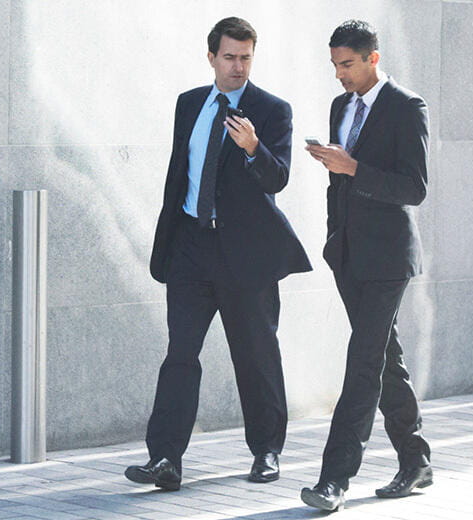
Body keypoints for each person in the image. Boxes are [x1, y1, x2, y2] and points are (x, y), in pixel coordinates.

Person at [124, 16, 311, 491]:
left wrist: (252, 148)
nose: (238, 67)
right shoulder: (189, 104)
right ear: (211, 57)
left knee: (256, 355)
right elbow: (180, 172)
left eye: (246, 57)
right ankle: (165, 458)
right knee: (180, 355)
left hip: (244, 256)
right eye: (229, 57)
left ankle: (267, 451)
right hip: (190, 246)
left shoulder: (272, 110)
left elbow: (277, 179)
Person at [301, 20, 433, 512]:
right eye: (335, 65)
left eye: (348, 65)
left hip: (387, 259)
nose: (340, 75)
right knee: (384, 359)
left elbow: (414, 188)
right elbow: (342, 185)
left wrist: (353, 168)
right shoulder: (341, 106)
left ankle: (334, 480)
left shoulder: (407, 107)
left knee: (363, 362)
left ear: (373, 59)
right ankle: (416, 460)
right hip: (348, 255)